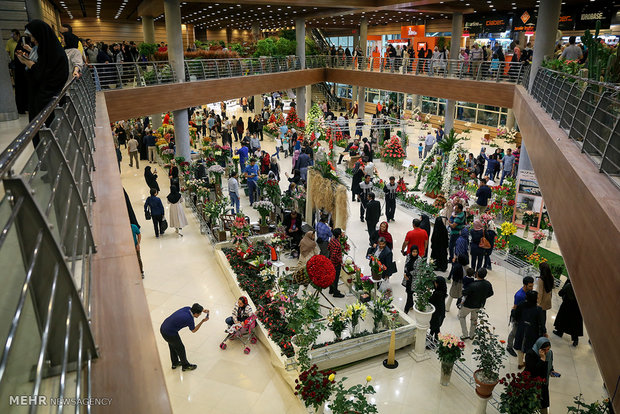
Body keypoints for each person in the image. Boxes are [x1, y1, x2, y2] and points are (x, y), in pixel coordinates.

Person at [17, 20, 69, 146]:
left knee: (46, 137)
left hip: (47, 101)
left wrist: (27, 63)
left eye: (33, 36)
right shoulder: (47, 50)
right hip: (42, 99)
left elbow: (43, 75)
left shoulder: (54, 53)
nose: (33, 40)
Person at [160, 303, 209, 371]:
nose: (200, 315)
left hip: (164, 328)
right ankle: (185, 365)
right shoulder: (189, 319)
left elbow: (195, 308)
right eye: (200, 313)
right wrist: (202, 321)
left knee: (172, 346)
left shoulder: (187, 308)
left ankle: (175, 363)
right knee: (180, 348)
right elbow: (194, 330)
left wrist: (202, 310)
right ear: (196, 314)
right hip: (170, 333)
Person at [525, 338, 560, 414]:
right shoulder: (530, 354)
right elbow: (533, 372)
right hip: (533, 384)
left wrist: (551, 371)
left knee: (544, 405)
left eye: (548, 349)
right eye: (544, 349)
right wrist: (542, 359)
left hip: (544, 383)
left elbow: (550, 365)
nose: (546, 351)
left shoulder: (550, 353)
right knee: (530, 404)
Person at [513, 290, 547, 369]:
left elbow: (516, 315)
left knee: (520, 346)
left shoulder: (521, 304)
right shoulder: (538, 309)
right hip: (532, 332)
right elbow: (541, 323)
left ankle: (520, 363)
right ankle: (528, 364)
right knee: (530, 348)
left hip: (521, 328)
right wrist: (544, 331)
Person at [458, 268, 493, 340]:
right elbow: (491, 293)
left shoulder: (472, 285)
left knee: (461, 316)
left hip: (468, 305)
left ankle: (465, 334)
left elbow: (464, 293)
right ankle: (472, 335)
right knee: (474, 320)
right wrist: (483, 297)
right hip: (479, 305)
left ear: (477, 274)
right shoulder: (488, 284)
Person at [505, 275, 535, 356]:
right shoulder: (520, 295)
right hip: (518, 317)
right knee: (514, 332)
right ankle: (509, 346)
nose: (532, 288)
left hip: (524, 316)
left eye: (532, 286)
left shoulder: (528, 292)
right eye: (530, 286)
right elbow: (515, 308)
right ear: (525, 285)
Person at [553, 278, 583, 347]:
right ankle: (575, 339)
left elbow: (560, 293)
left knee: (563, 319)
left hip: (567, 305)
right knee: (574, 324)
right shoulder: (582, 289)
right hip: (576, 308)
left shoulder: (569, 285)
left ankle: (559, 332)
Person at [327, 228, 345, 298]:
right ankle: (335, 292)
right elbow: (334, 255)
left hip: (331, 262)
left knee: (331, 276)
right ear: (339, 235)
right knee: (336, 278)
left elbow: (328, 248)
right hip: (336, 264)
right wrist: (340, 260)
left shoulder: (331, 240)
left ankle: (331, 289)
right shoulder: (338, 244)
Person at [403, 245, 420, 313]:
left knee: (410, 293)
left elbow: (417, 270)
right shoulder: (408, 256)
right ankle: (411, 304)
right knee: (408, 292)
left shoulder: (419, 259)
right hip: (407, 278)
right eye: (413, 251)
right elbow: (406, 265)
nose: (414, 253)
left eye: (416, 252)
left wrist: (409, 274)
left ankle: (406, 308)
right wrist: (405, 273)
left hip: (413, 279)